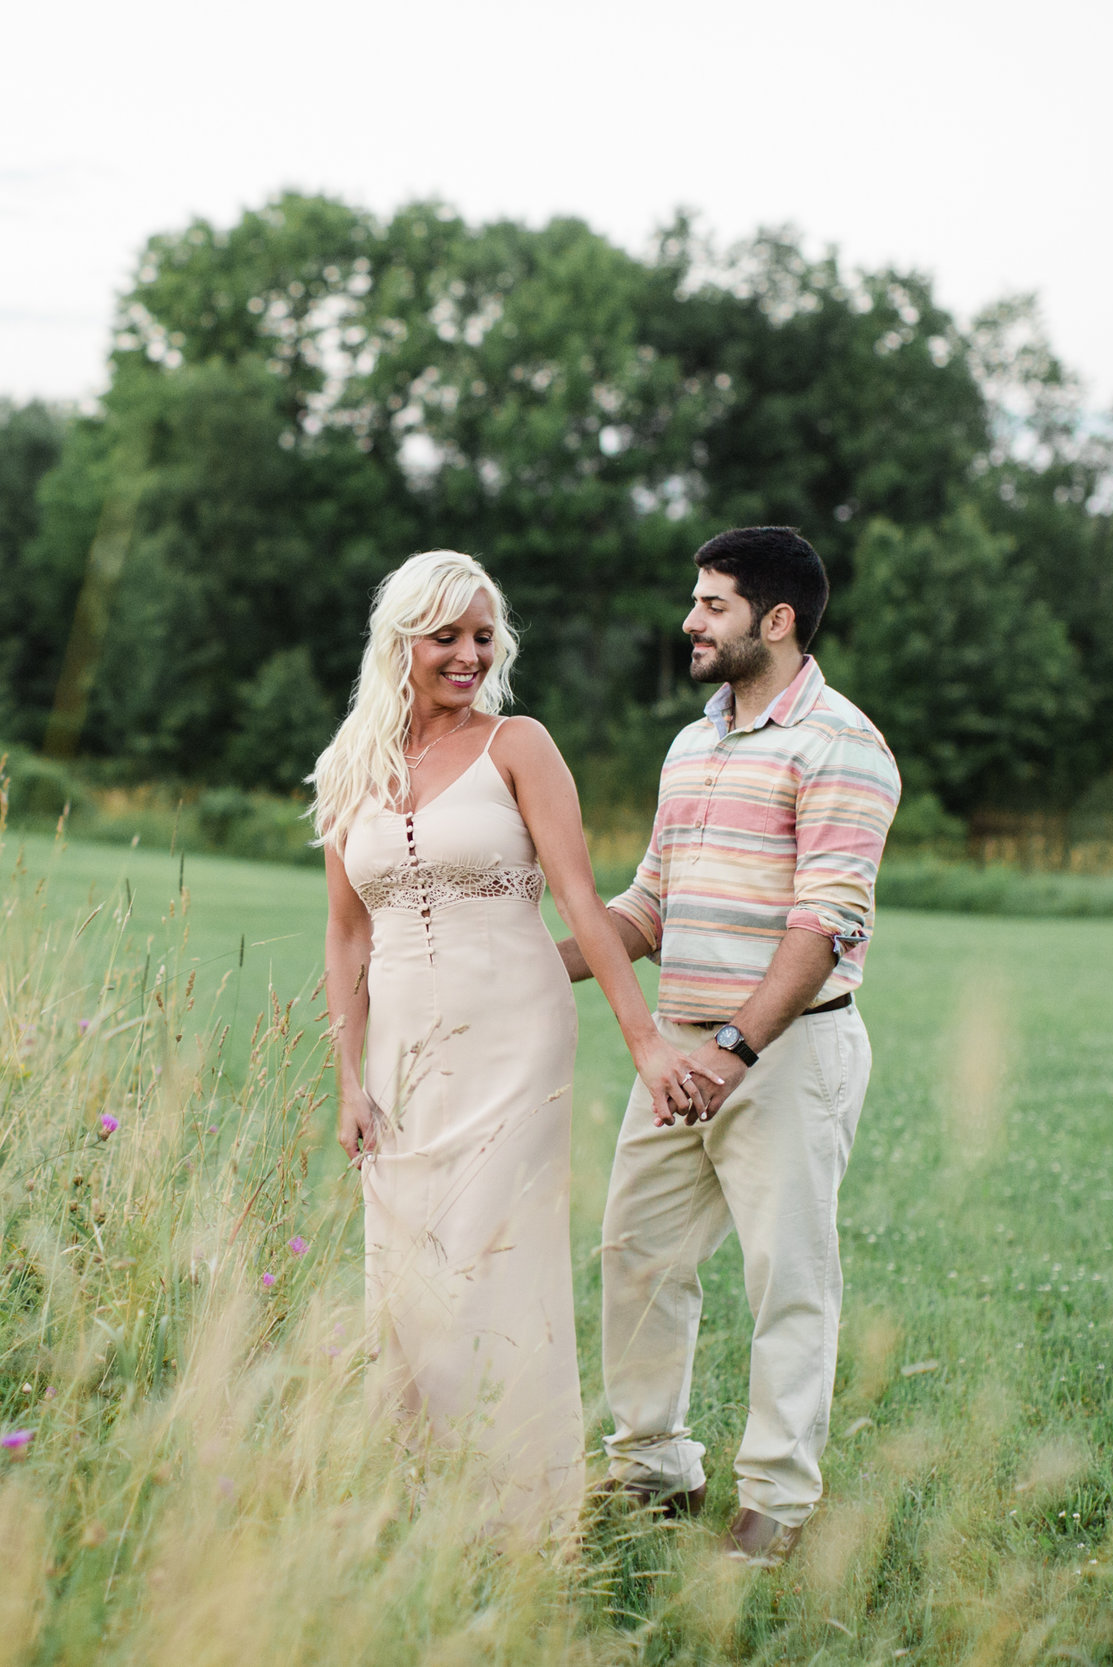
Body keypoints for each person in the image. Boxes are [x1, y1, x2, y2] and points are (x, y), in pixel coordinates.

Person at [316, 550, 718, 1536]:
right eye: (445, 634)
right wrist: (347, 1082)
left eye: (482, 634)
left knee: (493, 1250)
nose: (466, 653)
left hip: (515, 1032)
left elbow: (583, 900)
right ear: (399, 639)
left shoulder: (518, 744)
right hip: (401, 1051)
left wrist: (646, 1041)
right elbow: (346, 933)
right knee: (406, 1254)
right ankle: (415, 1484)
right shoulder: (350, 765)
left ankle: (518, 1505)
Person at [559, 526, 899, 1568]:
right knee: (637, 1256)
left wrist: (737, 1048)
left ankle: (778, 1502)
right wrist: (532, 965)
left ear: (777, 619)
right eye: (694, 602)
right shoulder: (691, 742)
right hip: (679, 1053)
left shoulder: (841, 741)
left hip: (785, 1057)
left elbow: (826, 923)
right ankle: (654, 1463)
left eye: (710, 604)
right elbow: (650, 904)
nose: (689, 622)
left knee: (787, 1276)